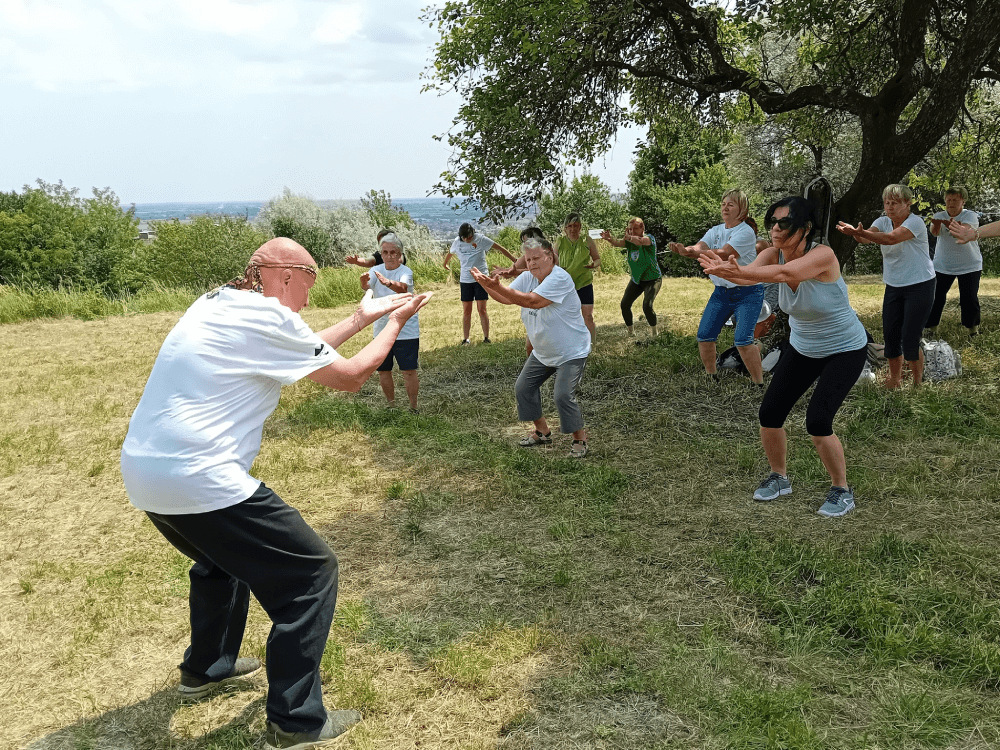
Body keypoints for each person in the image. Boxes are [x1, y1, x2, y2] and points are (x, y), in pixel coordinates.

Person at [120, 238, 431, 749]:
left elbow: (296, 351)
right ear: (286, 275)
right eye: (309, 286)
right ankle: (295, 721)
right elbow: (351, 376)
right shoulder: (265, 315)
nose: (307, 301)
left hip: (146, 473)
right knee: (310, 573)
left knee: (222, 558)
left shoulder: (218, 302)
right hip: (200, 475)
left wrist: (360, 318)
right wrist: (394, 323)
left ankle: (207, 667)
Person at [700, 197, 868, 518]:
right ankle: (779, 477)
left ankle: (842, 490)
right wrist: (727, 271)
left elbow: (783, 273)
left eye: (784, 223)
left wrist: (739, 271)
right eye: (772, 222)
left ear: (805, 228)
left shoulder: (822, 254)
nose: (775, 229)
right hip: (803, 347)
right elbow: (748, 276)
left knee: (818, 421)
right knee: (770, 413)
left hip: (844, 348)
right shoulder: (771, 253)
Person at [471, 239, 592, 457]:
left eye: (536, 258)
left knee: (562, 395)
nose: (532, 263)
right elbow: (505, 298)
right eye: (528, 260)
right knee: (524, 389)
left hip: (571, 351)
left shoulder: (560, 278)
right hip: (543, 352)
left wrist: (497, 286)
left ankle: (580, 439)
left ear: (550, 257)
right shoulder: (528, 277)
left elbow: (532, 302)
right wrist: (486, 284)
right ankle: (542, 431)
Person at [837, 184, 935, 387]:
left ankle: (917, 383)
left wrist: (862, 233)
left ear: (907, 204)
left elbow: (891, 239)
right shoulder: (882, 221)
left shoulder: (915, 222)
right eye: (887, 203)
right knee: (891, 334)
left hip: (920, 285)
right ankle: (895, 379)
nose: (890, 207)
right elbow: (864, 238)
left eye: (895, 203)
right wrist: (855, 233)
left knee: (910, 336)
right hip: (894, 285)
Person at [670, 189, 764, 385]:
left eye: (731, 204)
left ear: (742, 209)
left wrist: (692, 253)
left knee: (743, 340)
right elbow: (700, 246)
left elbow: (724, 253)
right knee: (705, 335)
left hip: (748, 293)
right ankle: (711, 376)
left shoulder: (745, 231)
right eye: (723, 204)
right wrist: (687, 249)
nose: (725, 207)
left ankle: (758, 382)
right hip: (721, 292)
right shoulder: (715, 230)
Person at [360, 233, 420, 412]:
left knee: (408, 371)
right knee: (383, 370)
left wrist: (388, 283)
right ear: (381, 254)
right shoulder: (375, 270)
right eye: (385, 252)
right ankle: (391, 406)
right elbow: (367, 287)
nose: (389, 256)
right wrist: (363, 283)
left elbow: (403, 288)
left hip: (405, 330)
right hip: (382, 330)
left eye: (393, 252)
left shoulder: (406, 272)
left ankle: (413, 408)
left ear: (400, 254)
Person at [443, 222, 517, 345]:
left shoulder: (481, 239)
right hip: (465, 280)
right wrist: (445, 264)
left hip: (481, 279)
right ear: (461, 236)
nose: (467, 239)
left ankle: (486, 338)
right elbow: (450, 253)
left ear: (473, 234)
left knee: (482, 309)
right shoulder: (457, 242)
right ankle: (466, 339)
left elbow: (500, 248)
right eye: (465, 237)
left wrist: (515, 260)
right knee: (467, 310)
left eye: (470, 237)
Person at [926, 187, 982, 336]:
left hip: (970, 265)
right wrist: (936, 224)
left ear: (963, 201)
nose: (951, 203)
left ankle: (973, 331)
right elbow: (934, 233)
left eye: (955, 200)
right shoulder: (939, 215)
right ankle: (931, 329)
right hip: (942, 265)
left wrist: (946, 223)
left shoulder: (970, 215)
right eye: (948, 200)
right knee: (935, 297)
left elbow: (963, 231)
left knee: (969, 299)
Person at [601, 217, 662, 339]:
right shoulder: (629, 241)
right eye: (630, 229)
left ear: (642, 228)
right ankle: (631, 332)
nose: (632, 231)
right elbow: (618, 243)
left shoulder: (649, 238)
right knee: (625, 304)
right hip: (637, 280)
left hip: (652, 279)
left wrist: (629, 237)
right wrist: (610, 239)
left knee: (647, 306)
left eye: (635, 229)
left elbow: (641, 241)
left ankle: (655, 333)